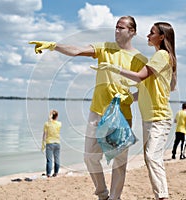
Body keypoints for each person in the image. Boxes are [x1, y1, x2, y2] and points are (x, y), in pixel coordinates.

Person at [30, 16, 147, 200]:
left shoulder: (139, 58)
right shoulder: (105, 48)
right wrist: (54, 46)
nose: (117, 31)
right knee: (90, 158)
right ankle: (102, 194)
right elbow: (77, 50)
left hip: (122, 115)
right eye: (116, 27)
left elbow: (146, 88)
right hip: (98, 112)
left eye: (121, 28)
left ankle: (115, 198)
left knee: (120, 163)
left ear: (132, 32)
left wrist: (130, 97)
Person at [92, 22, 177, 200]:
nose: (147, 36)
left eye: (152, 33)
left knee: (152, 157)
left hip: (159, 118)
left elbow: (140, 77)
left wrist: (114, 68)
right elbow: (148, 88)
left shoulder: (162, 54)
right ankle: (161, 195)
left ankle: (163, 197)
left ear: (162, 37)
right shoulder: (159, 56)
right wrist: (131, 97)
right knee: (150, 158)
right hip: (149, 118)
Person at [42, 110, 62, 177]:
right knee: (57, 158)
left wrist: (43, 144)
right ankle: (56, 173)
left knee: (49, 160)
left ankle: (48, 174)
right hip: (57, 143)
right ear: (57, 116)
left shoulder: (47, 124)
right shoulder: (59, 124)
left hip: (49, 143)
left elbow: (44, 135)